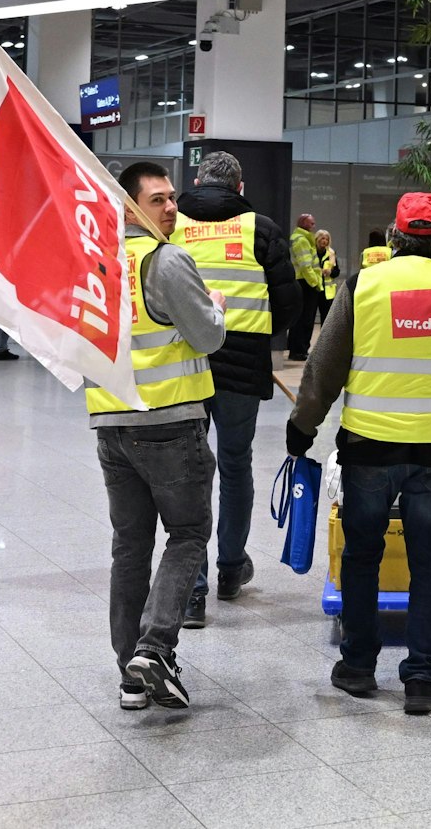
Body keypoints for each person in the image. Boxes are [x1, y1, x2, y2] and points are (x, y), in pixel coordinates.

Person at [288, 192, 431, 715]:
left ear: (394, 236)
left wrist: (301, 427)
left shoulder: (362, 285)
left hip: (369, 448)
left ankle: (357, 666)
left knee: (363, 556)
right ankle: (419, 676)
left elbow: (322, 369)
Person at [88, 161, 226, 712]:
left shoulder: (96, 263)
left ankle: (130, 674)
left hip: (112, 425)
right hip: (168, 423)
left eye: (172, 198)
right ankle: (152, 648)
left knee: (130, 546)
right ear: (129, 206)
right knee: (189, 533)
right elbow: (206, 337)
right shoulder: (166, 260)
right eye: (158, 200)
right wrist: (215, 309)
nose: (171, 208)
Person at [171, 151, 301, 626]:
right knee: (234, 463)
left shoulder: (173, 224)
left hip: (183, 360)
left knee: (190, 470)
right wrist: (262, 335)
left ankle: (193, 588)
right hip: (243, 361)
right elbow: (289, 300)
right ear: (240, 186)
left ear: (196, 180)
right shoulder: (261, 229)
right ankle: (230, 569)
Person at [287, 213, 324, 361]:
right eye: (311, 224)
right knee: (306, 319)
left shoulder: (302, 238)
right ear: (304, 224)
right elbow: (305, 265)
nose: (314, 226)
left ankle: (297, 349)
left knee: (300, 319)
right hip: (306, 283)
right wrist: (315, 282)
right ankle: (300, 351)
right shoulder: (302, 240)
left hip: (303, 281)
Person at [316, 229, 339, 319]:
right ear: (317, 239)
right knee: (308, 317)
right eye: (322, 239)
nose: (325, 241)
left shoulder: (331, 254)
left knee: (326, 318)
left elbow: (337, 271)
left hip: (327, 292)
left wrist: (330, 272)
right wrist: (320, 271)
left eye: (327, 239)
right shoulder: (312, 253)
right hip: (314, 288)